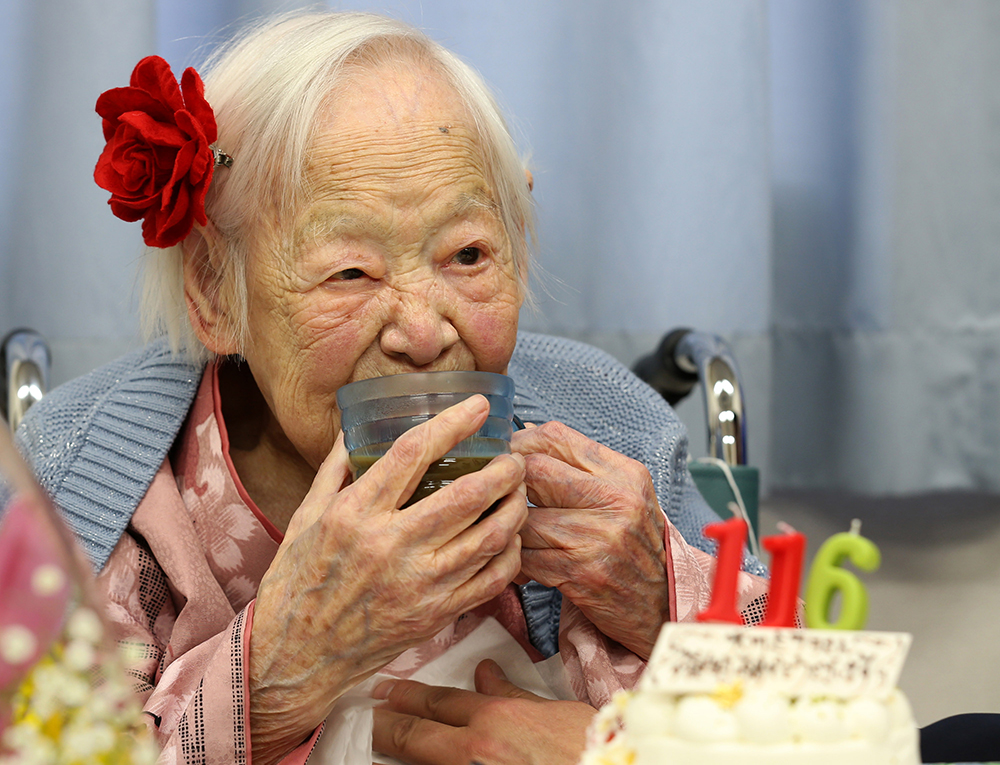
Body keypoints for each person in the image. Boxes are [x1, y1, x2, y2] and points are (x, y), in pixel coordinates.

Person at [16, 11, 768, 765]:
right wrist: (278, 670)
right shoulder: (89, 483)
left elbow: (805, 707)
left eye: (467, 254)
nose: (422, 331)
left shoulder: (609, 427)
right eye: (350, 272)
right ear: (215, 288)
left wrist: (658, 599)